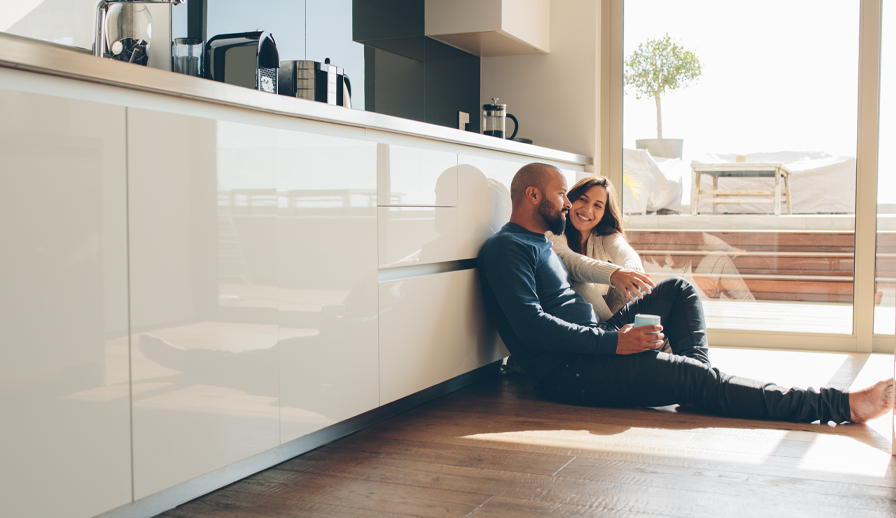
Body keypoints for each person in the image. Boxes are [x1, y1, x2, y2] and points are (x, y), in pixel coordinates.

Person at [478, 162, 893, 423]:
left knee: (679, 289)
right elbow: (531, 328)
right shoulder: (505, 248)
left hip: (596, 344)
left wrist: (614, 336)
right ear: (533, 196)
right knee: (693, 377)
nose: (568, 205)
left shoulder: (542, 244)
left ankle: (695, 385)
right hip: (569, 372)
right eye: (561, 195)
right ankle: (840, 407)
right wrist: (614, 345)